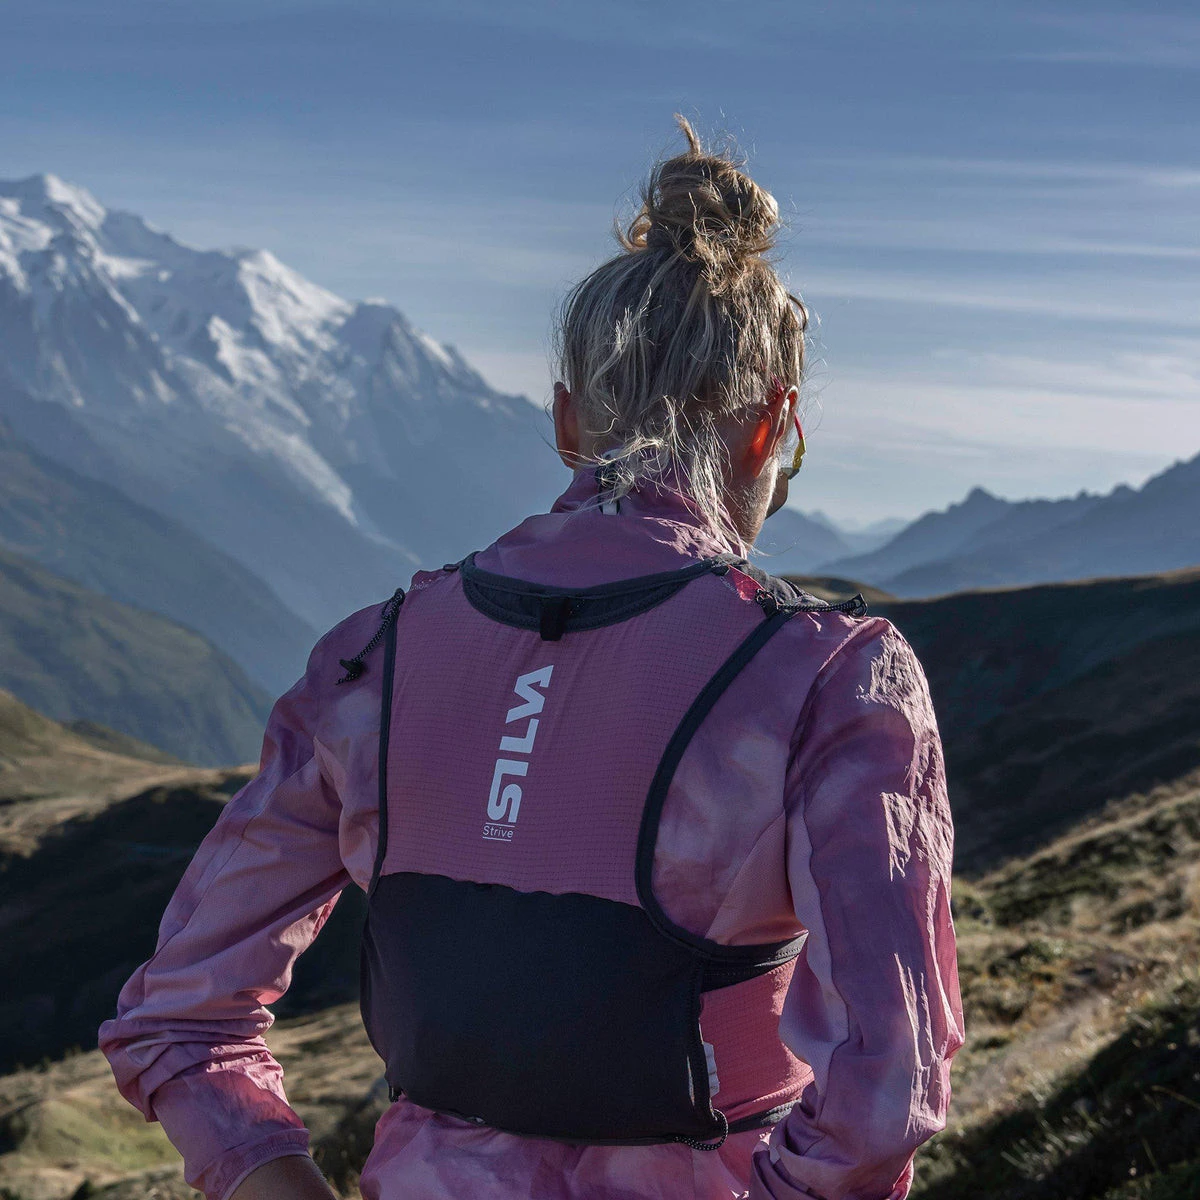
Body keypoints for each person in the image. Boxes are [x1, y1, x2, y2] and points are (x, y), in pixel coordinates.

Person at [100, 117, 964, 1200]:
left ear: (566, 421)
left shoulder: (372, 658)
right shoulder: (832, 678)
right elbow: (887, 1086)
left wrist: (268, 1174)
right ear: (773, 428)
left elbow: (179, 1016)